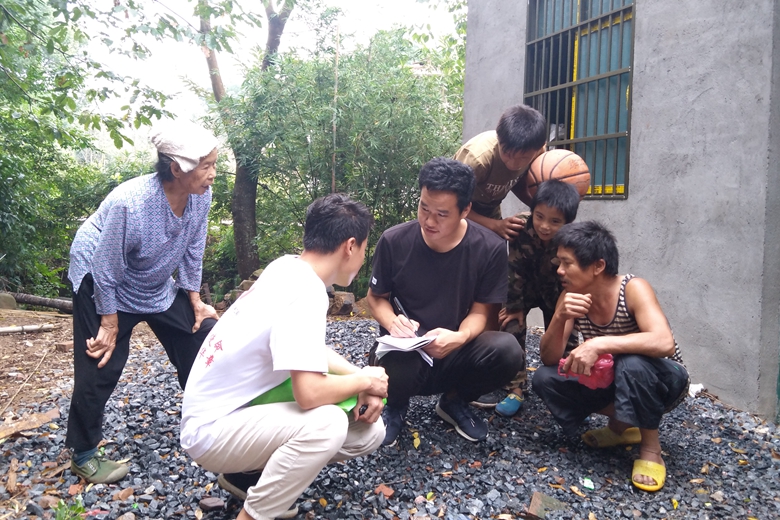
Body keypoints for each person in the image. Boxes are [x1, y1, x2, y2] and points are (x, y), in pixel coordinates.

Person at [181, 194, 387, 520]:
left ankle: (246, 476)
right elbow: (309, 394)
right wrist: (365, 380)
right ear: (350, 246)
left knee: (368, 432)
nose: (363, 257)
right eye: (364, 248)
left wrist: (362, 379)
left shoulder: (287, 267)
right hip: (212, 430)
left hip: (223, 413)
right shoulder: (306, 292)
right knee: (327, 426)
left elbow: (306, 349)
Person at [66, 121, 220, 484]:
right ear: (177, 168)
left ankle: (210, 415)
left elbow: (193, 248)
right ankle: (83, 454)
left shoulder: (201, 195)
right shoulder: (131, 203)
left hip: (151, 279)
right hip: (101, 275)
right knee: (101, 358)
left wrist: (195, 300)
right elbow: (106, 268)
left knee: (202, 333)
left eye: (214, 164)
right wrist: (109, 321)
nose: (213, 174)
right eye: (206, 166)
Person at [367, 157, 524, 447]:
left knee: (507, 351)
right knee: (397, 360)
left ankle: (454, 401)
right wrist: (392, 322)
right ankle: (395, 406)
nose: (429, 221)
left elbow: (482, 310)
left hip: (454, 350)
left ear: (465, 210)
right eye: (424, 208)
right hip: (406, 351)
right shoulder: (394, 241)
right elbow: (376, 298)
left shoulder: (488, 248)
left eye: (441, 214)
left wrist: (460, 337)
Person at [533, 221, 689, 492]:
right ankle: (622, 426)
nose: (559, 270)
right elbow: (549, 359)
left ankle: (651, 449)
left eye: (567, 263)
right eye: (559, 262)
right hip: (616, 379)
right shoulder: (571, 296)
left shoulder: (632, 288)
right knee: (545, 378)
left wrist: (600, 343)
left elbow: (664, 342)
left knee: (631, 363)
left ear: (598, 266)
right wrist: (559, 317)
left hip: (664, 382)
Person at [491, 180, 582, 417]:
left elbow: (574, 280)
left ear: (568, 222)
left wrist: (565, 310)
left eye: (555, 221)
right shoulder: (521, 226)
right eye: (539, 216)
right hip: (525, 287)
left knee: (566, 339)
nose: (544, 226)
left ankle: (566, 389)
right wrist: (514, 306)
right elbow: (513, 268)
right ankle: (515, 388)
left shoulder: (574, 239)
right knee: (510, 324)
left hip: (557, 292)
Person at [454, 104, 547, 241]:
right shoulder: (476, 160)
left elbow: (518, 183)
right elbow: (453, 204)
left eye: (523, 158)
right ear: (498, 139)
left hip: (491, 209)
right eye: (507, 154)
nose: (513, 164)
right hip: (459, 213)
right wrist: (496, 226)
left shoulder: (539, 154)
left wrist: (540, 208)